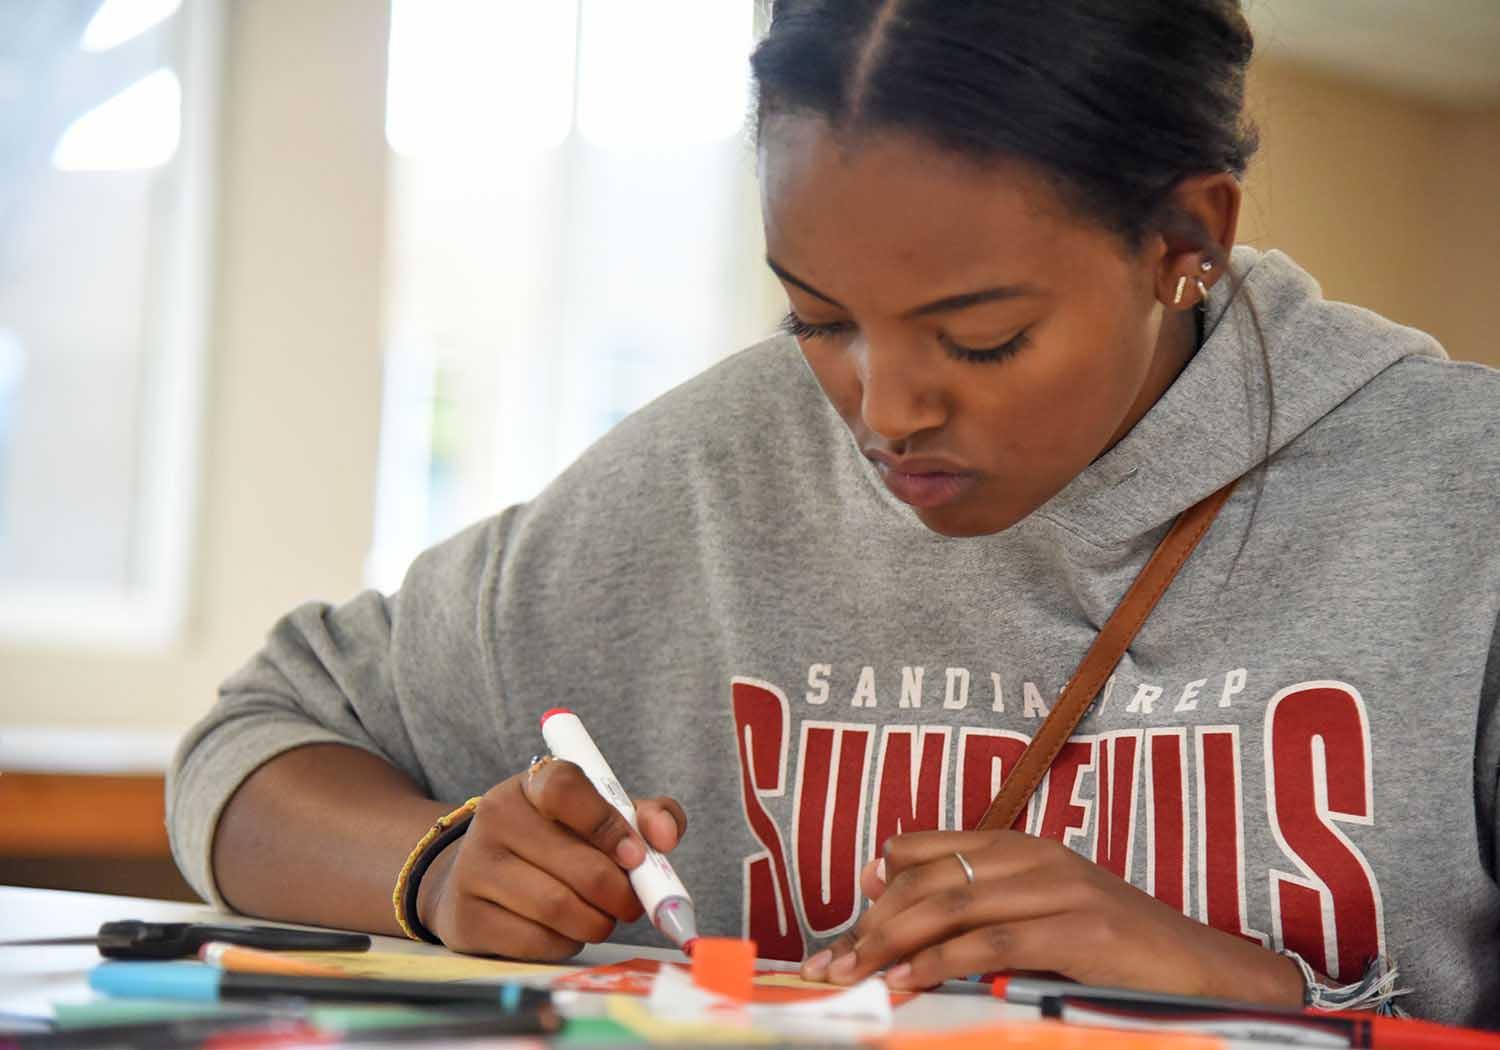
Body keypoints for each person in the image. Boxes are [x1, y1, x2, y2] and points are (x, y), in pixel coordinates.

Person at [167, 0, 1500, 1026]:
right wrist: (436, 864)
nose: (884, 411)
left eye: (980, 338)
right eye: (817, 318)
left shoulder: (1462, 504)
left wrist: (1259, 998)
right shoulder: (709, 471)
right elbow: (247, 748)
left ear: (1183, 237)